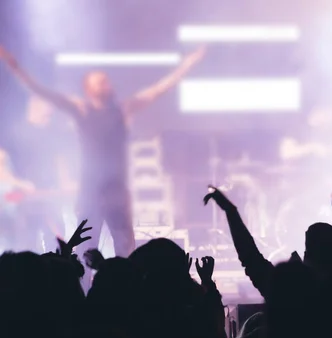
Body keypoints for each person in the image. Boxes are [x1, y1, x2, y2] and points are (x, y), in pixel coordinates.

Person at [0, 45, 206, 265]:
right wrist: (16, 68)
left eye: (106, 80)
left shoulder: (122, 109)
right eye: (100, 81)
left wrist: (186, 66)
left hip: (117, 191)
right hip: (91, 192)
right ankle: (82, 294)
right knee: (85, 250)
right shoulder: (81, 110)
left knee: (125, 250)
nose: (107, 84)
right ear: (88, 88)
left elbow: (158, 90)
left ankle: (127, 293)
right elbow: (42, 92)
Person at [10, 96, 74, 252]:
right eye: (47, 105)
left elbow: (60, 159)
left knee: (55, 239)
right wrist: (19, 184)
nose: (50, 110)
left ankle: (56, 270)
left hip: (50, 195)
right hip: (25, 197)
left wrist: (64, 182)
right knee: (27, 241)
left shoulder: (53, 132)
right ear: (34, 106)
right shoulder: (18, 132)